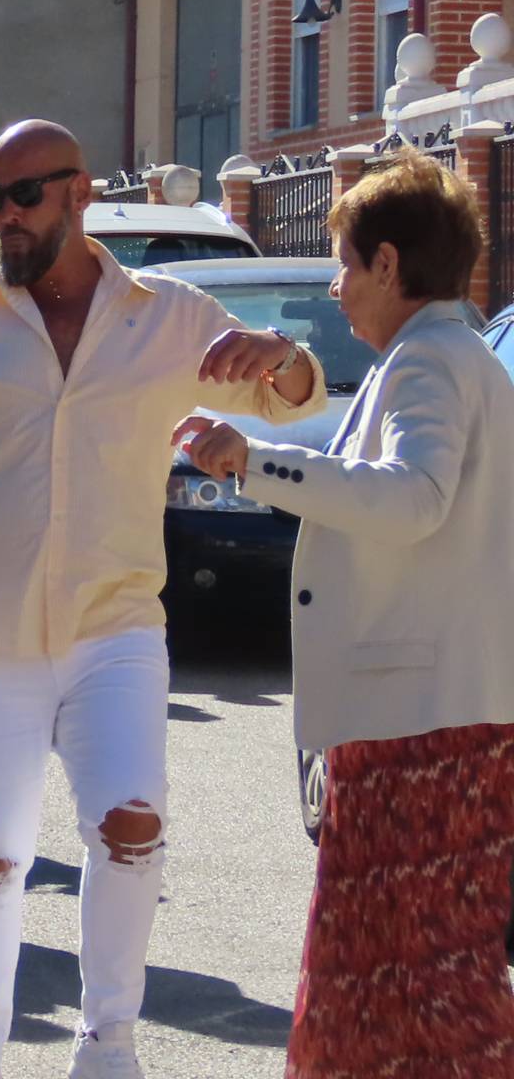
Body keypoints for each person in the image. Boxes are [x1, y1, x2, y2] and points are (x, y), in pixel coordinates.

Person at [0, 119, 322, 1079]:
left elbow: (292, 398)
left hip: (114, 627)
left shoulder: (163, 314)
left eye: (23, 197)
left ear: (80, 196)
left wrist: (276, 357)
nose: (4, 220)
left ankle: (107, 1045)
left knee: (131, 828)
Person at [175, 154, 514, 1077]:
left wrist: (256, 461)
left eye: (344, 264)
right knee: (387, 975)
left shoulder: (432, 364)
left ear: (390, 266)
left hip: (423, 729)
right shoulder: (444, 356)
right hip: (429, 717)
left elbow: (412, 499)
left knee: (431, 981)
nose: (337, 284)